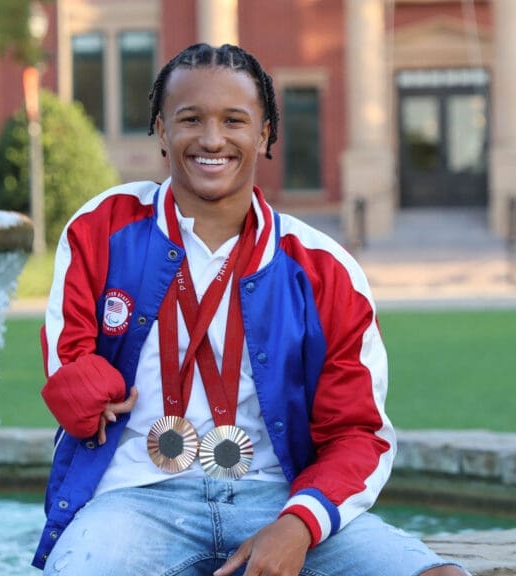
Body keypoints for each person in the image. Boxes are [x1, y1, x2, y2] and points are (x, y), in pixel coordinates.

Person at [32, 42, 467, 576]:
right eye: (190, 119)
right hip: (135, 500)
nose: (212, 139)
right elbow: (66, 354)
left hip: (274, 499)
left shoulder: (323, 267)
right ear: (162, 129)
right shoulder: (103, 227)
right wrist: (85, 389)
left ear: (264, 135)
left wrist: (298, 525)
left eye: (234, 120)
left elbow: (359, 432)